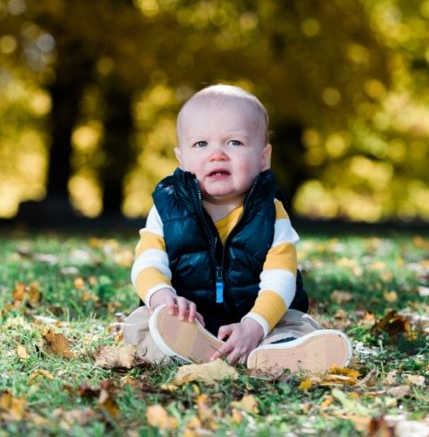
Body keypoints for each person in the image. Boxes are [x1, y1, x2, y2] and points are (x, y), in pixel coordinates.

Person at [123, 84, 351, 375]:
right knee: (142, 322)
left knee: (296, 323)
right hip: (189, 320)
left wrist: (255, 324)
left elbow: (281, 279)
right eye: (201, 144)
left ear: (263, 158)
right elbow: (147, 262)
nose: (217, 154)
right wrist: (161, 296)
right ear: (181, 159)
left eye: (234, 143)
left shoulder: (271, 213)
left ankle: (276, 351)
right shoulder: (168, 209)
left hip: (258, 319)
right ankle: (195, 347)